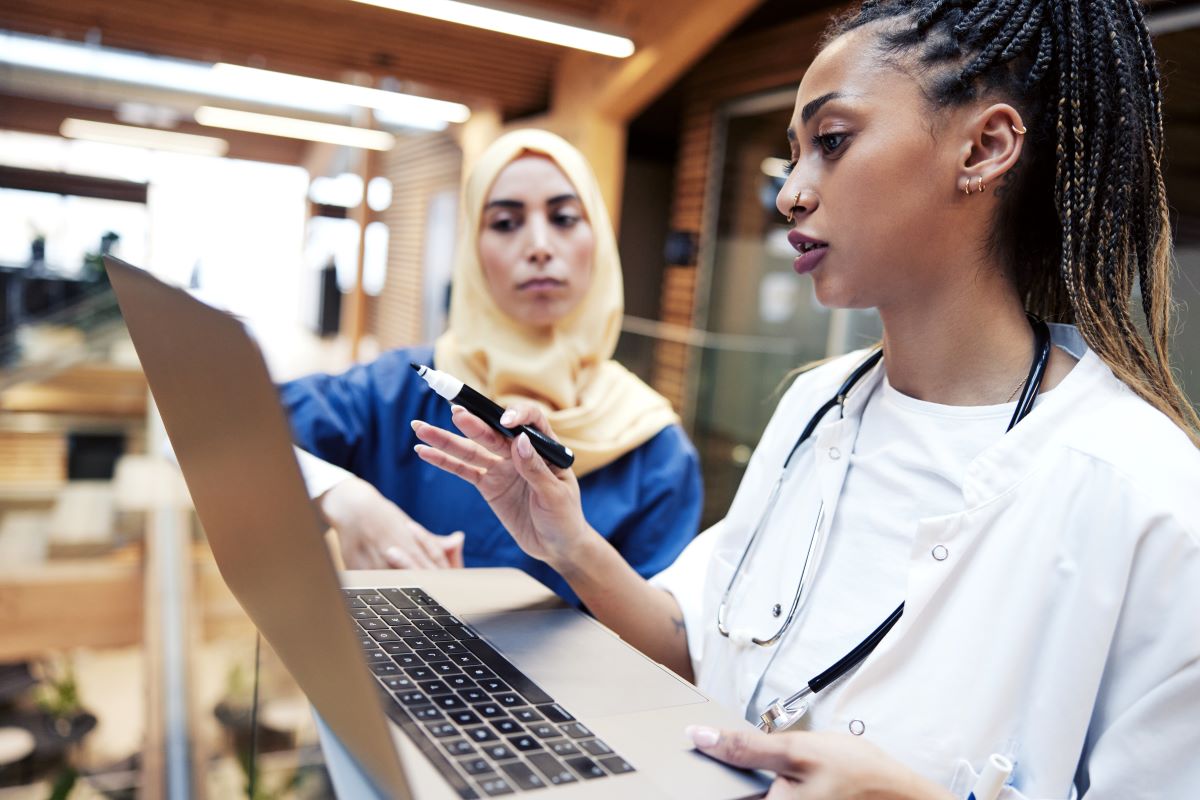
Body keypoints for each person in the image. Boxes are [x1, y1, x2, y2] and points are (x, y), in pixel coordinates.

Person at [410, 2, 1200, 797]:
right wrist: (566, 541)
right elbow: (694, 647)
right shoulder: (816, 404)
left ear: (985, 148)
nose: (790, 194)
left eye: (831, 142)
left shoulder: (1148, 499)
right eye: (795, 155)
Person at [281, 129, 701, 606]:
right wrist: (342, 495)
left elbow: (664, 652)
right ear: (472, 252)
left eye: (564, 218)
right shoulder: (397, 390)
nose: (539, 245)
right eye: (505, 222)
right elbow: (219, 424)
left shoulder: (654, 448)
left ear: (600, 242)